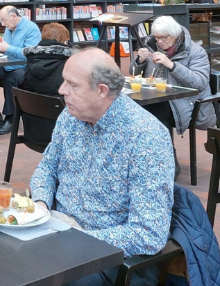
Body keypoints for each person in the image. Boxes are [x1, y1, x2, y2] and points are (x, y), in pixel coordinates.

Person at [30, 49, 174, 286]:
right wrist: (40, 205)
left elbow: (149, 234)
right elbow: (47, 168)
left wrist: (75, 238)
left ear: (102, 91)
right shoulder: (71, 116)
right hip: (58, 228)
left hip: (108, 258)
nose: (61, 90)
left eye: (72, 84)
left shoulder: (145, 137)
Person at [131, 15, 216, 175]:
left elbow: (200, 82)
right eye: (156, 38)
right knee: (133, 111)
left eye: (164, 38)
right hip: (157, 98)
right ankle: (146, 160)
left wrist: (171, 65)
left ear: (175, 35)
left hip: (187, 102)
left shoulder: (195, 52)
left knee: (154, 114)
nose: (160, 42)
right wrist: (139, 61)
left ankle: (168, 163)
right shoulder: (152, 46)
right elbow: (134, 74)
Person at [0, 6, 41, 135]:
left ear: (14, 16)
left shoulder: (31, 29)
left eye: (4, 20)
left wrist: (7, 48)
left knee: (10, 80)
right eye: (1, 20)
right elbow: (7, 50)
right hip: (8, 64)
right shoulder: (9, 28)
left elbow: (30, 54)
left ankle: (11, 119)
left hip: (25, 67)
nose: (2, 24)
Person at [20, 22, 73, 146]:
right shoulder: (68, 65)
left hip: (32, 133)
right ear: (63, 42)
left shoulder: (30, 62)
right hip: (60, 137)